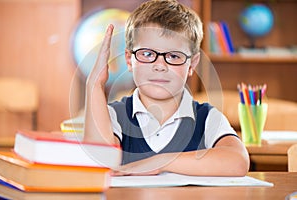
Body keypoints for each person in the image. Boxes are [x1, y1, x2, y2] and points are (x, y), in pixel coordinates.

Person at [83, 0, 250, 176]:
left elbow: (237, 162)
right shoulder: (114, 115)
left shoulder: (207, 117)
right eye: (147, 54)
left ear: (192, 64)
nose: (160, 65)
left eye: (173, 56)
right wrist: (94, 85)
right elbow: (99, 163)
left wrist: (161, 161)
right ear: (129, 59)